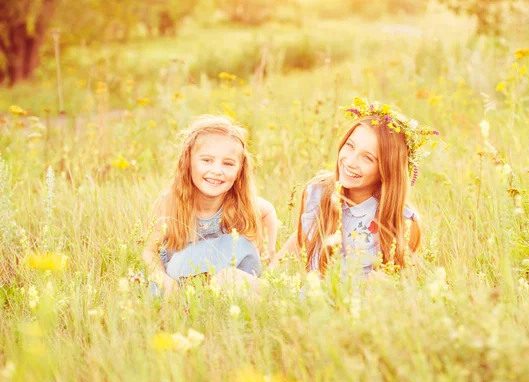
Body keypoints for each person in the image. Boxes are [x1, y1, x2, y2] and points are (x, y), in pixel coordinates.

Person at [277, 97, 438, 276]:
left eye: (367, 157)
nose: (351, 162)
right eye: (350, 146)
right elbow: (300, 241)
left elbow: (406, 283)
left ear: (387, 170)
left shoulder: (402, 221)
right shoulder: (317, 192)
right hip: (310, 300)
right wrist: (268, 278)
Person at [142, 115, 277, 295]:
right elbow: (149, 251)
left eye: (228, 164)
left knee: (239, 251)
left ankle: (265, 292)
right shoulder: (170, 204)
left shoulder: (240, 204)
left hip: (226, 279)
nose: (216, 171)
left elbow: (267, 211)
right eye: (207, 160)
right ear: (188, 162)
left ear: (239, 171)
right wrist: (164, 281)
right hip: (181, 279)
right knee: (155, 293)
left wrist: (268, 251)